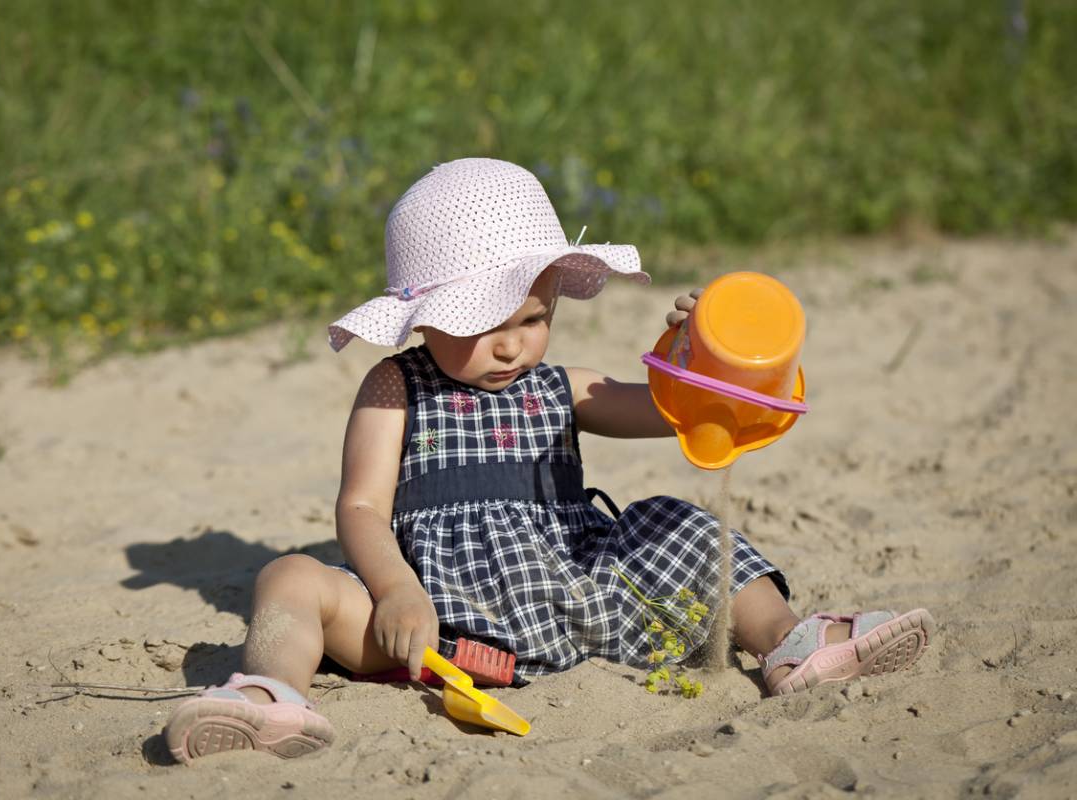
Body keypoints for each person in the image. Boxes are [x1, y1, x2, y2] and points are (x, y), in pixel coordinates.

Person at [162, 158, 934, 763]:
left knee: (678, 524)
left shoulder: (561, 385)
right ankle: (272, 696)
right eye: (482, 323)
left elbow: (680, 412)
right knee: (292, 577)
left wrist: (702, 355)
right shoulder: (395, 384)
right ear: (423, 318)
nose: (511, 345)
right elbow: (361, 508)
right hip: (435, 628)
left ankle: (792, 645)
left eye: (533, 318)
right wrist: (395, 590)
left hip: (575, 599)